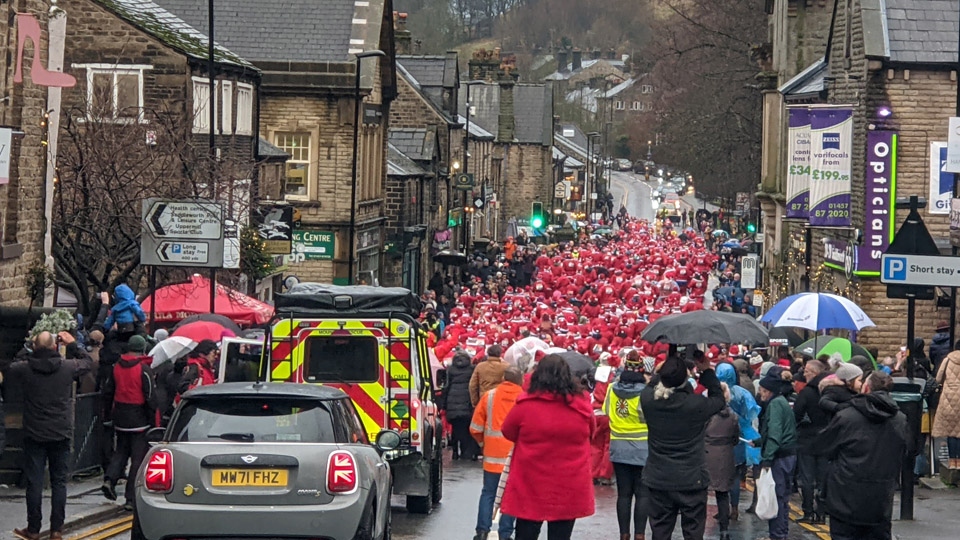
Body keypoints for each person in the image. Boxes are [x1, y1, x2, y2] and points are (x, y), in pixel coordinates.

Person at [9, 331, 93, 540]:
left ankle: (34, 529)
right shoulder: (67, 367)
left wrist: (28, 346)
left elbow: (10, 366)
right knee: (59, 483)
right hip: (60, 432)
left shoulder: (25, 368)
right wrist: (73, 344)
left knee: (34, 483)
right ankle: (56, 530)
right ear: (55, 347)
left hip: (34, 433)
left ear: (35, 347)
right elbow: (87, 362)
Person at [500, 355, 595, 540]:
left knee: (525, 533)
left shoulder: (525, 405)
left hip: (530, 482)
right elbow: (591, 432)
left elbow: (508, 431)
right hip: (568, 483)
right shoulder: (581, 406)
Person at [640, 354, 724, 540]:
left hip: (659, 476)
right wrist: (707, 371)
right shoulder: (696, 405)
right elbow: (719, 399)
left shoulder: (648, 400)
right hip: (691, 478)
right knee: (693, 532)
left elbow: (651, 386)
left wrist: (662, 370)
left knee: (660, 531)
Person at [820, 371, 908, 540]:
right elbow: (908, 450)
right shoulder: (900, 419)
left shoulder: (846, 417)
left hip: (844, 496)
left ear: (866, 387)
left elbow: (826, 447)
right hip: (879, 500)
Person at [101, 335, 156, 510]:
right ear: (143, 349)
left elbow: (108, 392)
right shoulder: (144, 369)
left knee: (121, 452)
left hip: (120, 415)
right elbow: (150, 398)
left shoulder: (116, 367)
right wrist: (153, 420)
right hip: (139, 417)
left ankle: (109, 479)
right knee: (137, 459)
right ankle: (130, 498)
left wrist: (108, 416)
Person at [469, 367, 523, 540]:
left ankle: (482, 530)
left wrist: (483, 443)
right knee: (511, 496)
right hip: (515, 458)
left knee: (488, 493)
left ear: (503, 378)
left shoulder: (490, 396)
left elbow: (475, 427)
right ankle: (505, 533)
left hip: (492, 456)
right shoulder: (523, 398)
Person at [604, 352, 650, 540]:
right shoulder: (646, 392)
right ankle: (640, 534)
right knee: (642, 494)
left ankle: (624, 534)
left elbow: (607, 411)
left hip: (618, 445)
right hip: (642, 448)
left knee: (623, 494)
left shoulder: (611, 389)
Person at [755, 366, 798, 540]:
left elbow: (775, 433)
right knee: (782, 498)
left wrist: (767, 459)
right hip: (789, 454)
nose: (760, 394)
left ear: (769, 391)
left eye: (762, 391)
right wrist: (759, 441)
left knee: (776, 498)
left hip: (780, 457)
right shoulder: (781, 402)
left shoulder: (774, 406)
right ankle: (780, 534)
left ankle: (778, 535)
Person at [715, 362, 760, 521]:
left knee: (720, 476)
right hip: (741, 438)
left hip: (719, 439)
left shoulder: (714, 393)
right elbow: (752, 415)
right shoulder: (743, 394)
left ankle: (723, 507)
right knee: (735, 476)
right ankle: (734, 508)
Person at [792, 359, 829, 523]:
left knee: (807, 478)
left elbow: (797, 414)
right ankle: (821, 512)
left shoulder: (806, 393)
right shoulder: (830, 391)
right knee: (822, 478)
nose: (804, 373)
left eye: (806, 370)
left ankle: (808, 512)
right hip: (826, 438)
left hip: (807, 439)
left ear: (814, 373)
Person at [705, 383, 739, 540]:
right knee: (723, 494)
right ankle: (724, 530)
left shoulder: (707, 414)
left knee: (700, 493)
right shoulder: (732, 416)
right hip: (725, 455)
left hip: (706, 453)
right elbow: (735, 438)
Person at [444, 351, 478, 461]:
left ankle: (454, 451)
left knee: (455, 428)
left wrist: (444, 404)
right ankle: (465, 452)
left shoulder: (450, 370)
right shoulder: (472, 369)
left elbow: (446, 387)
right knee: (467, 428)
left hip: (452, 402)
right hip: (466, 402)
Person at [933, 347, 960, 469]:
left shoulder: (948, 359)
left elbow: (938, 378)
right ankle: (959, 461)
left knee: (950, 430)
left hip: (949, 396)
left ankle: (952, 461)